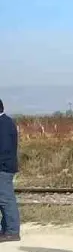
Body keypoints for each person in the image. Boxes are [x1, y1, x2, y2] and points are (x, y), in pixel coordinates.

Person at [0, 98, 20, 242]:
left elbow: (4, 149)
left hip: (3, 167)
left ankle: (12, 231)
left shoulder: (4, 125)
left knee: (6, 200)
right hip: (4, 166)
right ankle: (6, 228)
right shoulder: (5, 122)